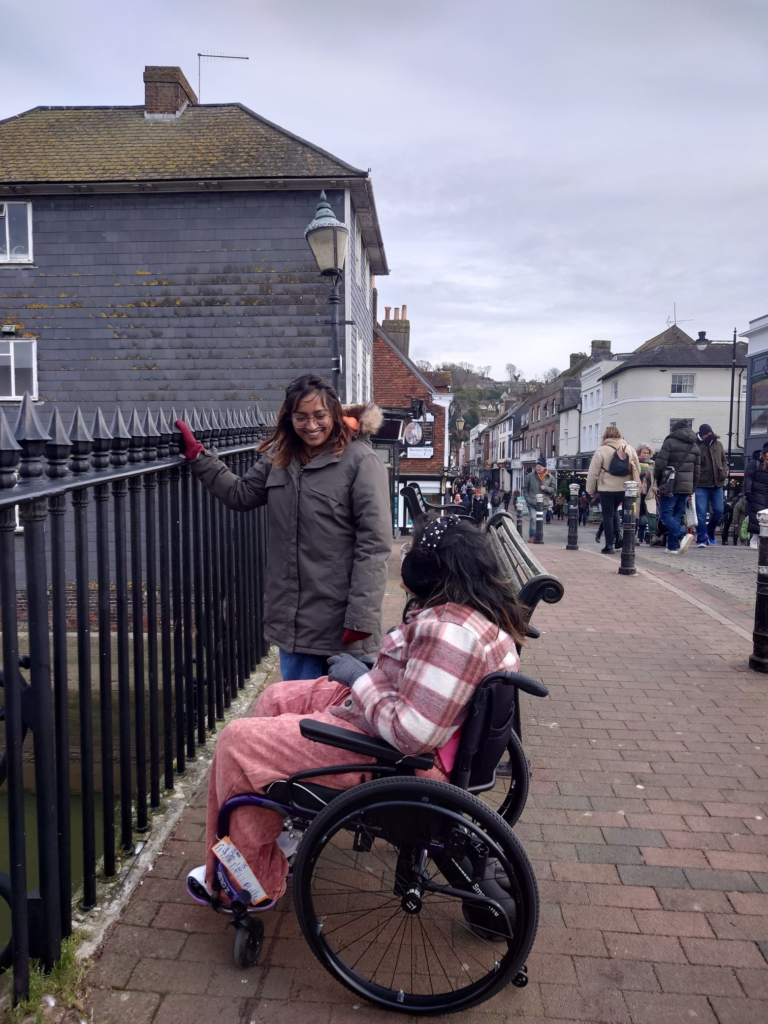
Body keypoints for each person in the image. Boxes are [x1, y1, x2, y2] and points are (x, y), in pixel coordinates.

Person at [188, 515, 527, 907]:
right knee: (277, 699)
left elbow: (412, 734)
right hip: (395, 727)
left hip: (393, 760)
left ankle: (248, 884)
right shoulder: (473, 614)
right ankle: (274, 836)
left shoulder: (450, 635)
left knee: (237, 741)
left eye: (411, 552)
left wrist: (360, 680)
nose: (405, 558)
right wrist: (371, 675)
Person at [177, 374, 392, 680]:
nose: (311, 425)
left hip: (342, 622)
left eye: (320, 416)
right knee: (296, 708)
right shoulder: (281, 457)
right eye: (301, 417)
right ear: (289, 417)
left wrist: (362, 618)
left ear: (334, 413)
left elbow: (374, 545)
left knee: (340, 708)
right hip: (292, 624)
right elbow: (241, 494)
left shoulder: (362, 461)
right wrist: (199, 457)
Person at [586, 426, 641, 555]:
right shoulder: (629, 448)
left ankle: (609, 545)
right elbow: (637, 469)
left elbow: (593, 472)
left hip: (607, 488)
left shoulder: (601, 450)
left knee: (608, 515)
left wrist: (590, 489)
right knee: (625, 515)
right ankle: (624, 540)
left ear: (605, 436)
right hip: (625, 488)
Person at [653, 420, 701, 555]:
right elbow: (697, 471)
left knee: (665, 515)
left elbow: (660, 464)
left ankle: (683, 535)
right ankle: (672, 547)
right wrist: (692, 488)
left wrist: (657, 479)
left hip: (670, 485)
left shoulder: (669, 442)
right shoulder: (695, 446)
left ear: (675, 430)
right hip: (686, 487)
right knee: (676, 516)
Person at [694, 424, 729, 548]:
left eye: (710, 433)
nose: (709, 436)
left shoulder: (718, 444)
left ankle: (710, 530)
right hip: (701, 484)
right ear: (702, 435)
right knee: (701, 514)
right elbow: (697, 460)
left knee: (719, 510)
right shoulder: (695, 445)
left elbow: (723, 459)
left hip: (717, 483)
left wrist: (725, 471)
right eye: (707, 434)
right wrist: (704, 445)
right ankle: (701, 538)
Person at [522, 457, 555, 542]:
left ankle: (538, 537)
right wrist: (528, 499)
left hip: (544, 503)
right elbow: (525, 490)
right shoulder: (529, 476)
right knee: (533, 518)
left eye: (540, 466)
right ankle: (532, 536)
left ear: (544, 467)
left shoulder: (550, 477)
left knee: (539, 521)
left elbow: (554, 490)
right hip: (532, 502)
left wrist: (546, 488)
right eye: (537, 466)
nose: (538, 468)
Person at [744, 443, 768, 550]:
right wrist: (747, 492)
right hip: (758, 492)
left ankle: (763, 540)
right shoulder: (755, 462)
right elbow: (748, 477)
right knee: (758, 516)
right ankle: (754, 537)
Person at [636, 444, 657, 544]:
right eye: (644, 453)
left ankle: (653, 536)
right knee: (635, 515)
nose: (646, 455)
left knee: (651, 514)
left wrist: (655, 487)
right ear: (639, 453)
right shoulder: (635, 462)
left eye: (648, 453)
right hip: (637, 492)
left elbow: (655, 477)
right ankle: (634, 536)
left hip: (649, 492)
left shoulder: (652, 464)